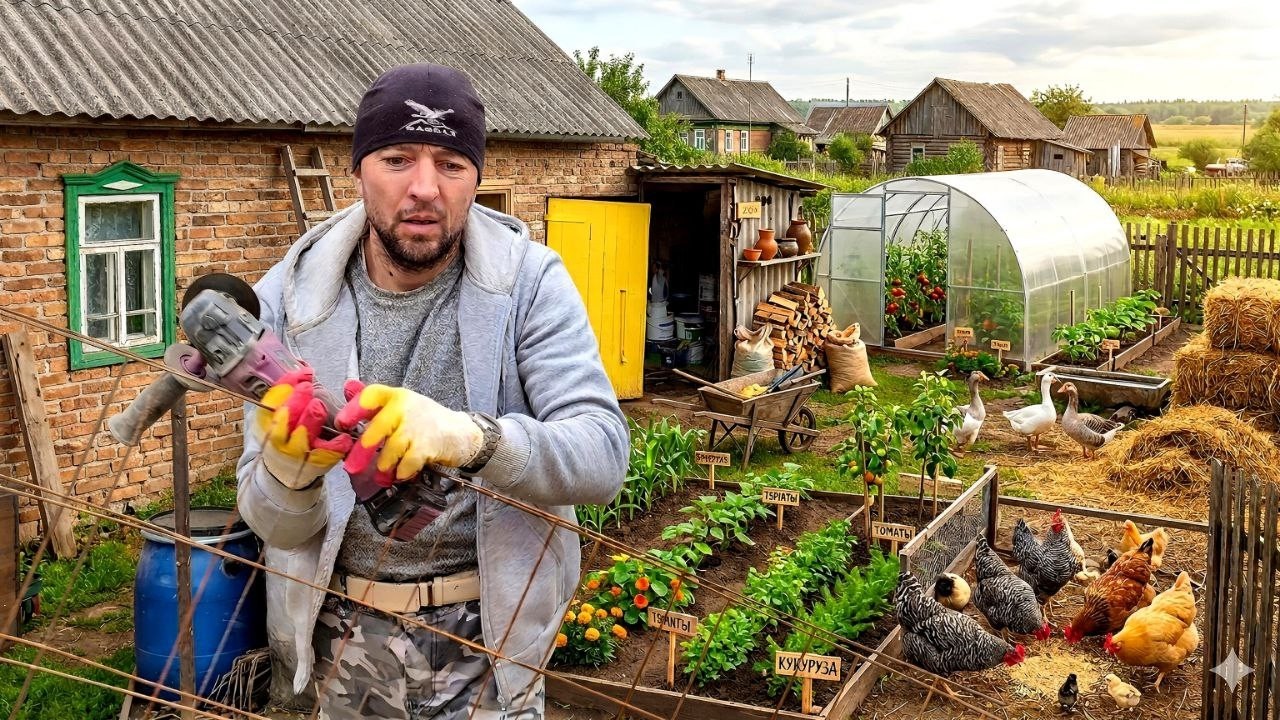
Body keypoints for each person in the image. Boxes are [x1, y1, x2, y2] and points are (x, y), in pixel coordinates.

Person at [235, 63, 627, 720]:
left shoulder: (531, 284)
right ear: (358, 170)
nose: (424, 188)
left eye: (450, 163)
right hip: (336, 645)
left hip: (488, 648)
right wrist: (287, 474)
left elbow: (603, 456)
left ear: (476, 177)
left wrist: (473, 437)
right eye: (396, 158)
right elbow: (270, 523)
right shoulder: (289, 297)